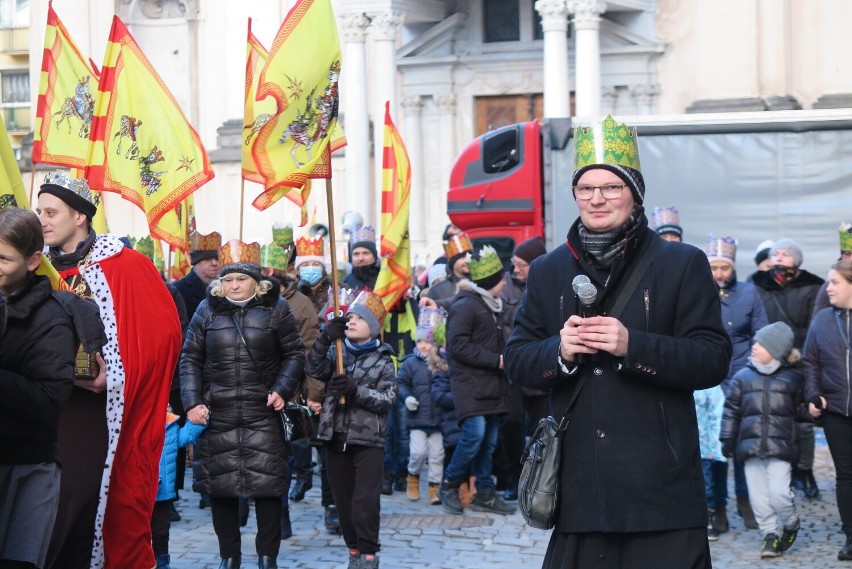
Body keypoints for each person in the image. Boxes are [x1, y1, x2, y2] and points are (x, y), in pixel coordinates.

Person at [504, 115, 731, 568]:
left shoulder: (680, 263)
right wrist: (560, 351)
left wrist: (633, 345)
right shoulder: (550, 270)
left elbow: (712, 358)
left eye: (611, 187)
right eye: (586, 188)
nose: (597, 198)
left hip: (660, 488)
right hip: (582, 488)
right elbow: (517, 360)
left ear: (635, 193)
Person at [38, 172, 183, 569]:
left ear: (79, 216)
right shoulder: (38, 269)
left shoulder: (126, 266)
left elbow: (162, 336)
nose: (43, 221)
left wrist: (114, 374)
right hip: (45, 409)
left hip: (99, 414)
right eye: (40, 212)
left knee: (84, 502)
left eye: (51, 212)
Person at [180, 239, 305, 569]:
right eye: (228, 280)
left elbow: (294, 354)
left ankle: (267, 556)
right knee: (221, 489)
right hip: (217, 412)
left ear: (256, 281)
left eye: (241, 279)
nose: (234, 285)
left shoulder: (276, 310)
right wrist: (192, 402)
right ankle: (229, 557)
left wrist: (283, 388)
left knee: (267, 487)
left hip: (262, 411)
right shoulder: (206, 311)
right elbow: (190, 358)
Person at [0, 208, 84, 569]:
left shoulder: (51, 318)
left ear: (34, 260)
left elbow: (49, 400)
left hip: (24, 466)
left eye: (3, 258)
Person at [305, 291, 396, 569]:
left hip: (368, 440)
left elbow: (387, 399)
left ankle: (369, 553)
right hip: (335, 436)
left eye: (360, 318)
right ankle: (353, 551)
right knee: (343, 502)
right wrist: (324, 337)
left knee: (365, 501)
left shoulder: (383, 360)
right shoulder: (337, 351)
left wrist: (356, 390)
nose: (352, 321)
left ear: (374, 327)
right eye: (350, 317)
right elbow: (314, 368)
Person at [439, 245, 515, 516]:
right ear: (489, 282)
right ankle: (449, 484)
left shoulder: (491, 305)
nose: (505, 281)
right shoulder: (467, 305)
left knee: (489, 441)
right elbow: (456, 345)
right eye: (500, 278)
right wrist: (496, 360)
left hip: (492, 384)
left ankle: (484, 491)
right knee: (475, 435)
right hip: (470, 384)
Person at [720, 321, 803, 559]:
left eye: (761, 344)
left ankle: (790, 522)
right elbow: (732, 410)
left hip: (781, 447)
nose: (754, 346)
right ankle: (769, 535)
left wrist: (813, 410)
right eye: (755, 342)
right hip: (750, 448)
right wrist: (727, 437)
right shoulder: (742, 378)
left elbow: (800, 409)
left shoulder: (792, 379)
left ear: (776, 350)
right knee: (759, 498)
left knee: (779, 494)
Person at [752, 237, 824, 498]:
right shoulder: (757, 284)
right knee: (772, 418)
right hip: (768, 358)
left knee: (803, 421)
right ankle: (782, 473)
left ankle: (804, 470)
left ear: (797, 259)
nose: (779, 257)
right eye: (776, 253)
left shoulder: (814, 286)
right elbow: (755, 319)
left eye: (785, 253)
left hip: (800, 359)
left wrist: (798, 352)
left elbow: (815, 324)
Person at [705, 234, 767, 532]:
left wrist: (753, 371)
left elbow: (760, 332)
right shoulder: (699, 292)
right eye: (714, 268)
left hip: (742, 375)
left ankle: (746, 499)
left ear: (733, 268)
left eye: (724, 268)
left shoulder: (749, 293)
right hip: (709, 381)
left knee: (743, 444)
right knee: (714, 447)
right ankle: (718, 506)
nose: (719, 274)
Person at [261, 241, 320, 539]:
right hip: (253, 394)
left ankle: (280, 516)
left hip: (289, 394)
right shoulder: (246, 301)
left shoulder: (299, 305)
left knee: (283, 456)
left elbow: (309, 353)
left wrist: (310, 393)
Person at [801, 259, 852, 561]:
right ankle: (850, 538)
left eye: (834, 282)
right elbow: (810, 361)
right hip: (835, 412)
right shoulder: (822, 320)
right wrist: (812, 394)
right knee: (846, 475)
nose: (828, 288)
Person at [494, 235, 549, 501]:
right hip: (514, 369)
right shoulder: (504, 286)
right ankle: (512, 481)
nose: (515, 270)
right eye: (514, 264)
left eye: (521, 265)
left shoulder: (549, 285)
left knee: (545, 429)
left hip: (542, 368)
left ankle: (543, 482)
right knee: (511, 425)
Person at [398, 307, 448, 505]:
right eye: (419, 341)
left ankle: (434, 486)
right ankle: (413, 477)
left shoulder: (443, 362)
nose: (423, 345)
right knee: (417, 452)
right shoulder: (410, 363)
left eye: (427, 341)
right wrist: (407, 397)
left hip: (438, 418)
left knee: (437, 455)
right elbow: (401, 383)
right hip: (417, 417)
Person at [151, 407, 207, 569]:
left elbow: (186, 436)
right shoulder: (136, 423)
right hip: (139, 491)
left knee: (161, 531)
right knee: (138, 530)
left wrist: (200, 420)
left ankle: (162, 562)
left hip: (162, 491)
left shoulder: (170, 424)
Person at [812, 222, 852, 316]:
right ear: (842, 255)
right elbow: (817, 325)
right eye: (847, 254)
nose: (850, 259)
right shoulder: (830, 287)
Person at [427, 233, 473, 303]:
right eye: (463, 257)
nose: (467, 260)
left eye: (469, 256)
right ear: (453, 262)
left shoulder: (479, 283)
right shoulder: (437, 290)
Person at [342, 225, 379, 291]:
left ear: (374, 256)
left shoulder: (385, 280)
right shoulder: (343, 284)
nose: (361, 258)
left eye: (365, 253)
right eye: (356, 254)